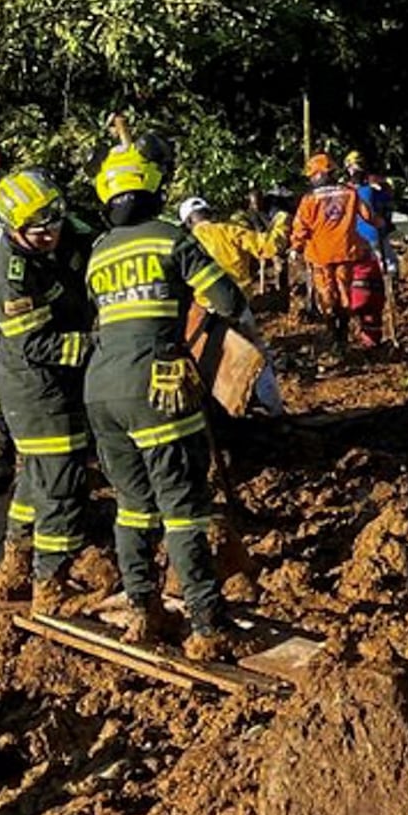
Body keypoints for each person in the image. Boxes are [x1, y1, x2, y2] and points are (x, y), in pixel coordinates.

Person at [85, 141, 258, 658]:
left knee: (133, 508)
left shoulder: (98, 250)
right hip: (155, 389)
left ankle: (144, 610)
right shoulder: (169, 238)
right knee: (183, 510)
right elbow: (229, 299)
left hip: (100, 391)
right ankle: (207, 625)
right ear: (154, 189)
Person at [0, 168, 102, 610]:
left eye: (55, 221)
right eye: (39, 229)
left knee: (36, 477)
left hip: (58, 382)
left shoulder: (66, 230)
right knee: (61, 482)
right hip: (36, 387)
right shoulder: (10, 275)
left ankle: (14, 565)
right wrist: (101, 348)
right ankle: (50, 580)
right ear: (13, 229)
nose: (51, 233)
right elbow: (36, 343)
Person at [289, 153, 383, 349]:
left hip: (320, 256)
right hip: (346, 253)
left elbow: (300, 228)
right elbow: (369, 216)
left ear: (319, 174)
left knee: (326, 295)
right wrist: (383, 224)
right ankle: (343, 333)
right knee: (344, 292)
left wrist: (295, 247)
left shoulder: (309, 200)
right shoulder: (350, 193)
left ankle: (333, 334)